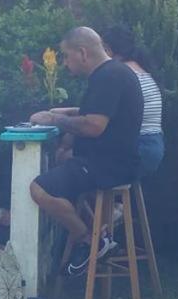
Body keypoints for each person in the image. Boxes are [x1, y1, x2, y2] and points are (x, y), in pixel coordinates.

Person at [28, 26, 142, 276]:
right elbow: (97, 111)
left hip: (106, 165)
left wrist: (53, 120)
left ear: (82, 53)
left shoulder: (108, 77)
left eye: (66, 56)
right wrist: (66, 112)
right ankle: (99, 235)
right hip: (116, 162)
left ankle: (90, 241)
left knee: (39, 189)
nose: (65, 63)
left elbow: (94, 126)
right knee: (62, 164)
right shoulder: (114, 72)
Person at [101, 26, 164, 178]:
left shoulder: (119, 73)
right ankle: (116, 195)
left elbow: (102, 117)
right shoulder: (142, 70)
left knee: (72, 156)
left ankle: (107, 196)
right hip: (154, 146)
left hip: (137, 148)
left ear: (107, 49)